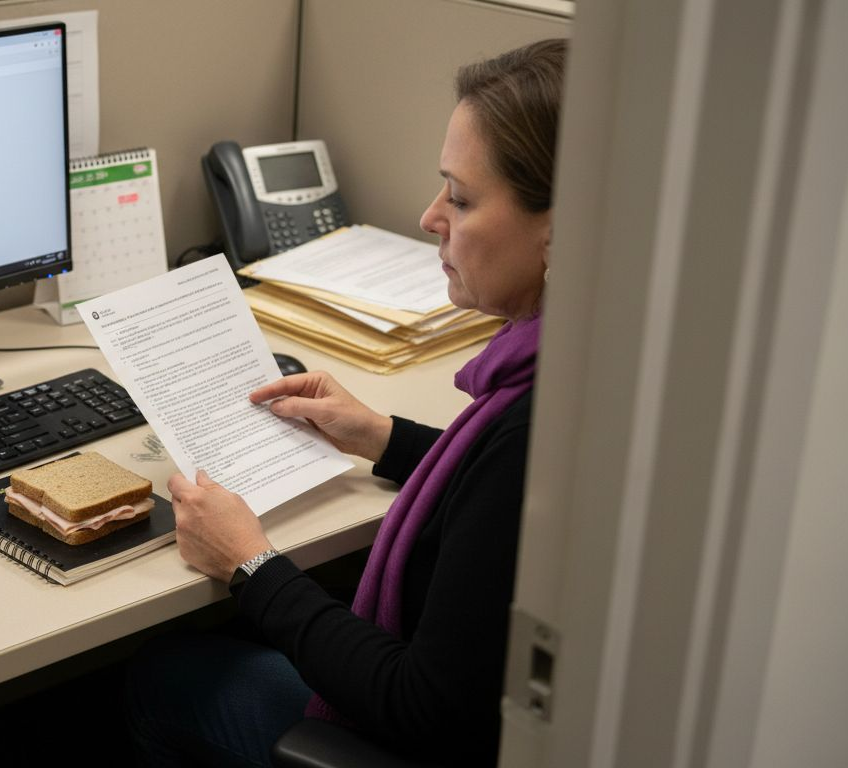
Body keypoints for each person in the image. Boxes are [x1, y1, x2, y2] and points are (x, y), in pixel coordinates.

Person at [127, 38, 566, 768]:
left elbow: (420, 705)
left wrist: (250, 563)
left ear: (558, 235)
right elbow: (497, 496)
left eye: (461, 198)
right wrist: (382, 435)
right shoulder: (596, 372)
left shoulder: (536, 427)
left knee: (165, 677)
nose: (431, 217)